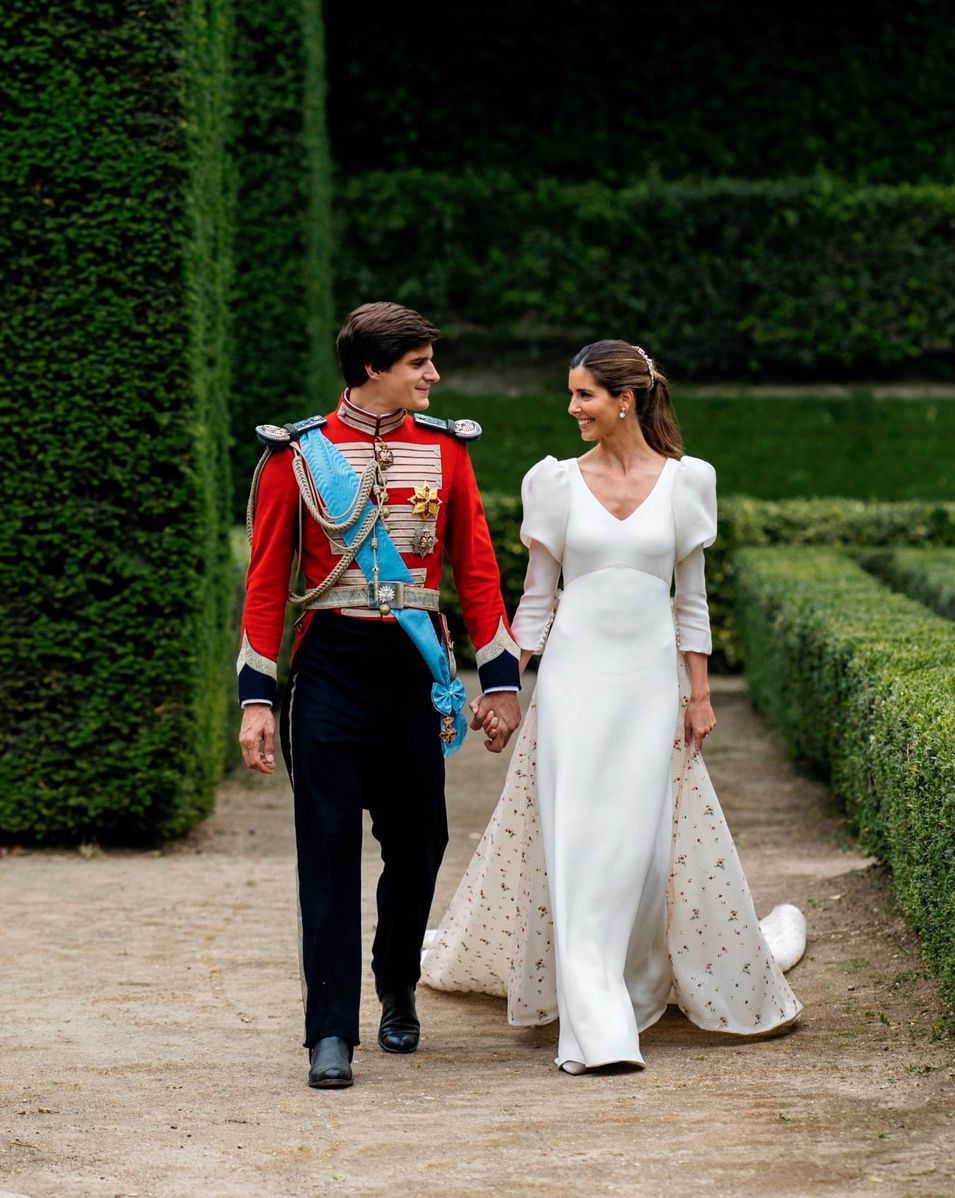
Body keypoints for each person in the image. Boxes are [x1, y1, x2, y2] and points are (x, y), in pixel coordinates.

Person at [421, 340, 803, 1072]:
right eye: (571, 395)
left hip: (649, 687)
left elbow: (690, 604)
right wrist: (502, 683)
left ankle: (635, 982)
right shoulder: (554, 484)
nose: (571, 409)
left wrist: (698, 695)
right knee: (577, 845)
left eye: (584, 396)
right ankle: (596, 1029)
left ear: (625, 398)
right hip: (572, 685)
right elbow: (534, 604)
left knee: (639, 845)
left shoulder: (691, 482)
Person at [237, 302, 522, 1089]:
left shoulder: (444, 453)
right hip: (328, 665)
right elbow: (267, 583)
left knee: (421, 841)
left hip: (411, 668)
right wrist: (257, 700)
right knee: (325, 854)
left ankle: (396, 981)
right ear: (373, 369)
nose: (433, 375)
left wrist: (498, 682)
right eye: (419, 363)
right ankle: (329, 1031)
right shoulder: (298, 455)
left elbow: (477, 567)